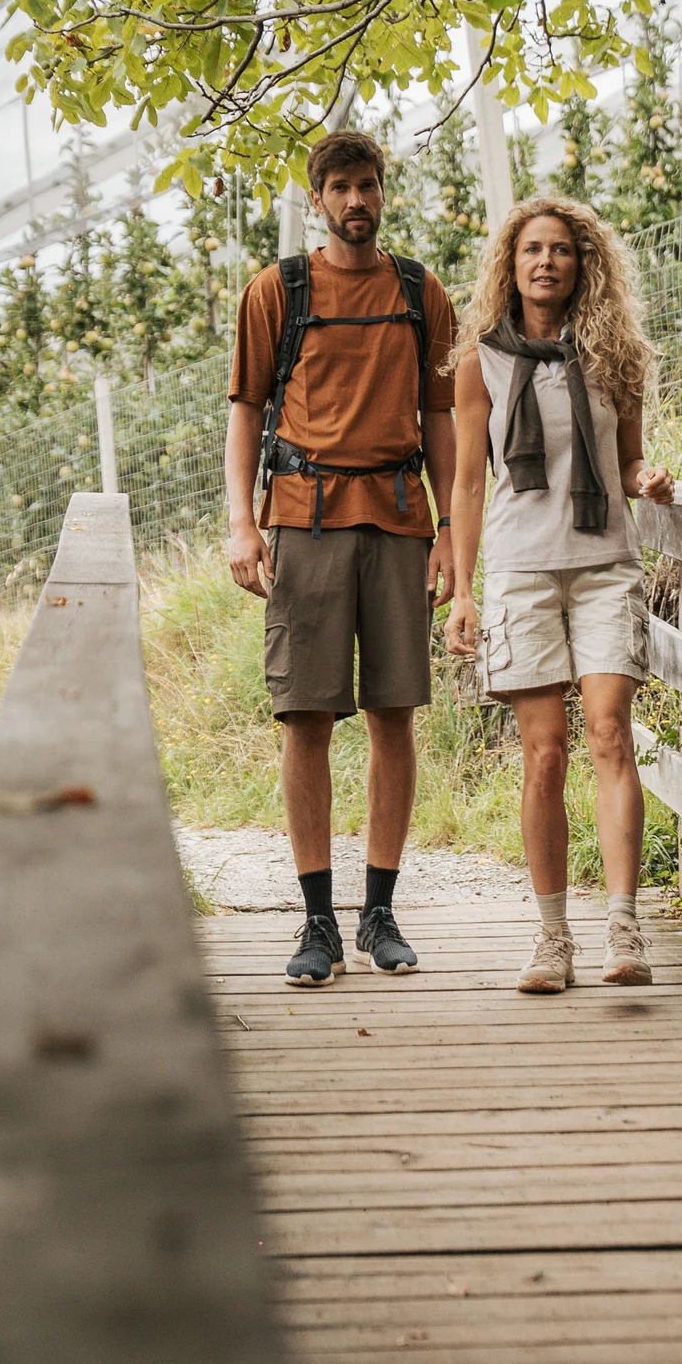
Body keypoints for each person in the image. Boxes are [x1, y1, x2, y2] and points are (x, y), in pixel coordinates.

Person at [225, 132, 457, 988]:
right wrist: (240, 524)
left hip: (399, 520)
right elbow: (246, 411)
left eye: (368, 187)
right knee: (307, 719)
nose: (357, 201)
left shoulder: (419, 291)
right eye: (341, 189)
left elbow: (443, 419)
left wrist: (453, 537)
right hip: (301, 519)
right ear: (316, 198)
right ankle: (317, 920)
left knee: (395, 714)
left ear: (381, 194)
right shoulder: (275, 292)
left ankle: (379, 912)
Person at [444, 196, 674, 995]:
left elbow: (634, 460)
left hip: (605, 561)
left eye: (563, 250)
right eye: (532, 249)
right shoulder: (480, 360)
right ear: (510, 264)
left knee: (610, 732)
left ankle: (623, 925)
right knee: (543, 754)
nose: (547, 262)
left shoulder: (618, 353)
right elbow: (469, 482)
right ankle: (551, 938)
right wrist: (463, 591)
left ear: (585, 265)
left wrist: (649, 478)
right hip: (520, 570)